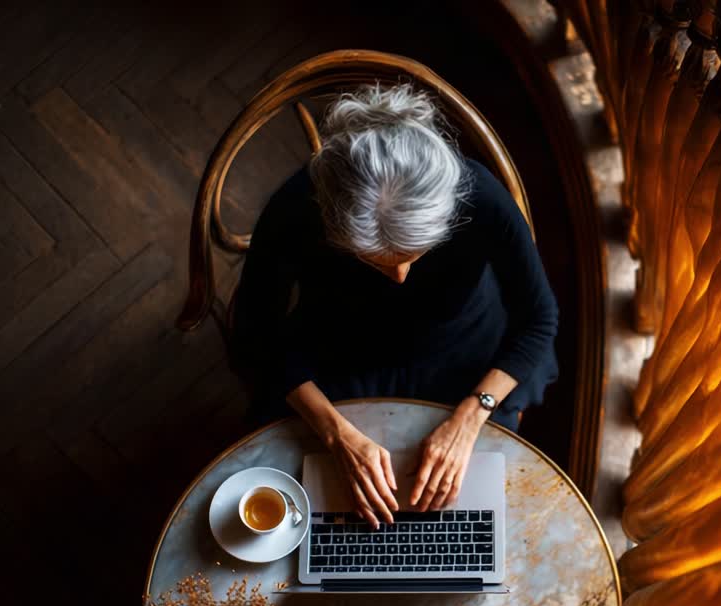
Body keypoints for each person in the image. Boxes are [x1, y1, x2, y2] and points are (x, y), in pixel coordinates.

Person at [232, 84, 559, 529]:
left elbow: (539, 321)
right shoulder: (295, 207)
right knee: (318, 509)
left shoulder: (480, 196)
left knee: (456, 520)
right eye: (374, 260)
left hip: (464, 353)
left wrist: (470, 415)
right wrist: (336, 433)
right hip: (339, 350)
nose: (400, 277)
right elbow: (255, 329)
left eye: (415, 254)